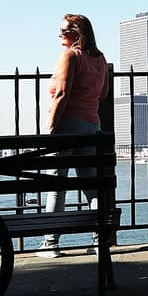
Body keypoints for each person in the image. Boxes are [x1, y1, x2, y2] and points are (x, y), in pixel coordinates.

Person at [37, 14, 110, 257]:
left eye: (64, 31)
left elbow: (61, 94)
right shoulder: (100, 59)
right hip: (92, 127)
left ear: (77, 32)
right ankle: (100, 240)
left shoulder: (69, 56)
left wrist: (51, 129)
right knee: (90, 185)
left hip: (68, 125)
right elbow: (103, 95)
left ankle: (50, 244)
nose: (60, 35)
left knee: (57, 186)